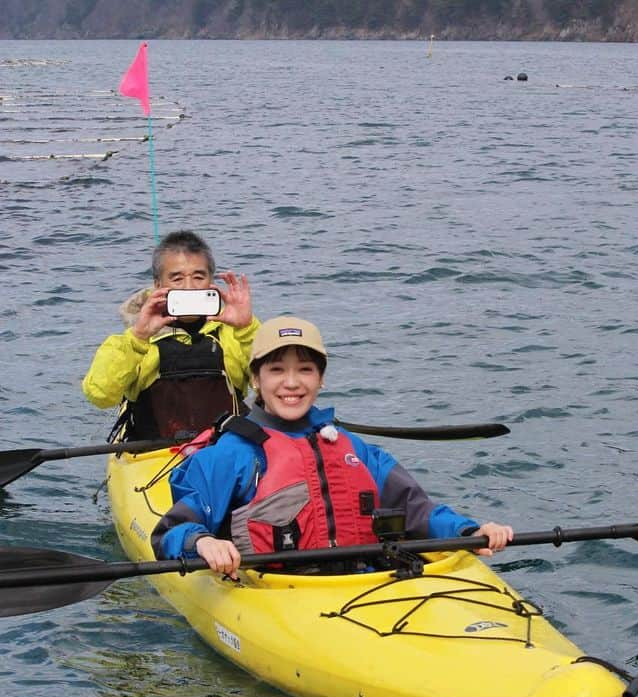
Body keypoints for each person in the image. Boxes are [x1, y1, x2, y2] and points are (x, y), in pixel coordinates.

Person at [151, 316, 513, 577]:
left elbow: (418, 512)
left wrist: (467, 531)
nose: (291, 383)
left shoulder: (354, 449)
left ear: (321, 379)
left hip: (368, 581)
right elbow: (171, 531)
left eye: (305, 370)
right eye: (276, 370)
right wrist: (202, 543)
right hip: (278, 591)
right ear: (256, 380)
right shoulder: (232, 453)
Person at [82, 230, 259, 441]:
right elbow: (100, 396)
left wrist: (246, 329)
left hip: (224, 451)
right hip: (153, 457)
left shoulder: (235, 333)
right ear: (158, 285)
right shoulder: (134, 340)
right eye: (177, 278)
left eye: (199, 277)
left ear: (211, 281)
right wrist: (137, 338)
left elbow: (272, 385)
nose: (189, 287)